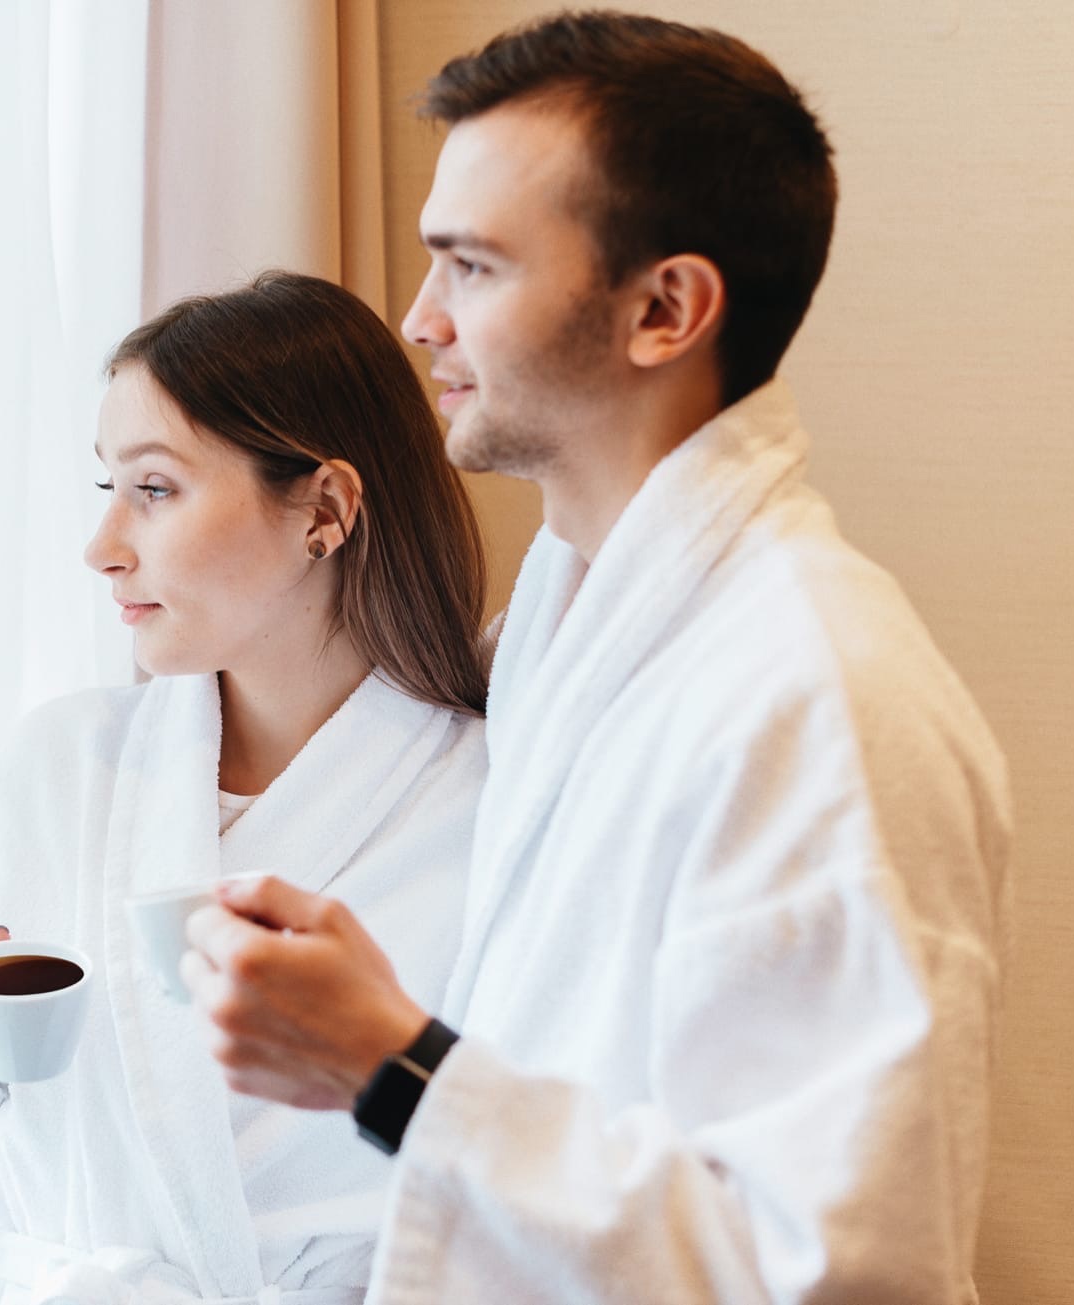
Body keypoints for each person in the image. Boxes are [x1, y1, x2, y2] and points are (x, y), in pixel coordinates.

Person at [176, 13, 1013, 1304]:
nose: (418, 320)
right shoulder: (570, 618)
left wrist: (393, 1069)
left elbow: (844, 1273)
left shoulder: (821, 695)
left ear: (664, 309)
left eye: (472, 267)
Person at [0, 272, 492, 1304]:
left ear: (324, 509)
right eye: (108, 489)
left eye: (154, 489)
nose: (102, 550)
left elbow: (510, 1195)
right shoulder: (55, 766)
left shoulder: (488, 810)